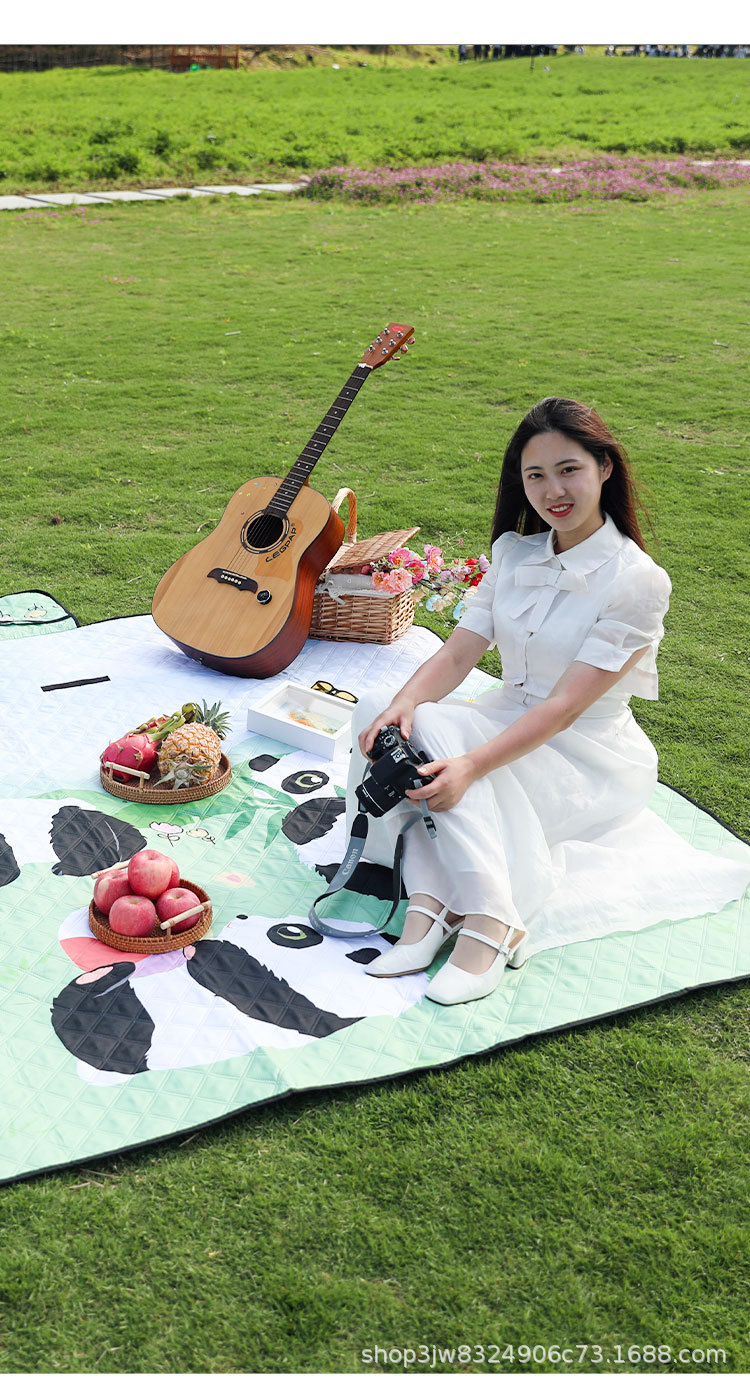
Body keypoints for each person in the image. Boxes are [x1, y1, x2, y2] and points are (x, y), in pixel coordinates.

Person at [344, 397, 750, 1006]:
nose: (552, 491)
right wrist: (401, 704)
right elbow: (458, 654)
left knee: (439, 742)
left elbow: (564, 707)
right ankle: (431, 908)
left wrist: (472, 764)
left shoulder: (638, 580)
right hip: (506, 716)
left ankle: (490, 919)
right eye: (535, 475)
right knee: (388, 712)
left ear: (604, 468)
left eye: (568, 470)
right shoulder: (514, 552)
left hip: (585, 755)